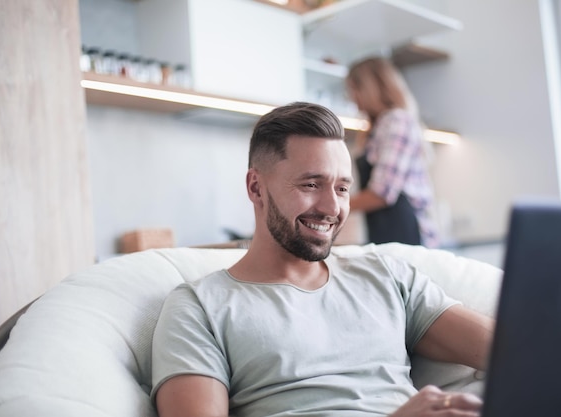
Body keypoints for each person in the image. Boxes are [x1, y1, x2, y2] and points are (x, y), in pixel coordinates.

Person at [151, 102, 494, 417]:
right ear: (256, 188)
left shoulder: (386, 276)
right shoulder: (200, 307)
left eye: (342, 188)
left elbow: (516, 352)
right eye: (311, 184)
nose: (332, 209)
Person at [346, 56, 439, 247]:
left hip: (407, 232)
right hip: (385, 231)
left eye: (353, 90)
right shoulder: (378, 127)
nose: (351, 97)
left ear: (368, 89)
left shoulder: (397, 121)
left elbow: (382, 193)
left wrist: (331, 207)